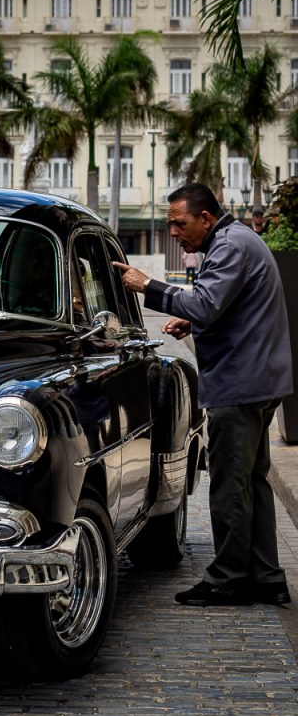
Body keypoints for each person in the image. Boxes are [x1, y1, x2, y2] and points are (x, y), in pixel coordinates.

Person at [113, 182, 292, 607]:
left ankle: (228, 578)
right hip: (259, 380)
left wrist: (148, 286)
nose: (173, 231)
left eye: (179, 222)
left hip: (240, 383)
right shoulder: (239, 240)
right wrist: (195, 324)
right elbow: (232, 306)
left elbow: (207, 303)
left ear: (206, 218)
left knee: (230, 484)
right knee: (251, 481)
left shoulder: (229, 245)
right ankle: (267, 577)